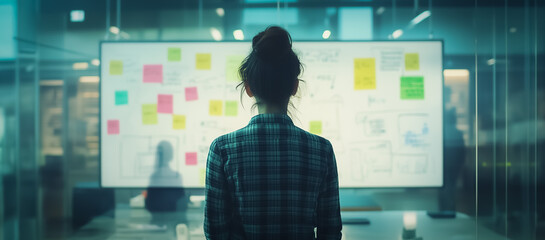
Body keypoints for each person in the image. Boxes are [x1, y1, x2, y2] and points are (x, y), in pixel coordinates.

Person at [204, 26, 342, 240]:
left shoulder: (223, 149)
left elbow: (215, 232)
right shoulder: (322, 150)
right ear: (295, 87)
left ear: (248, 88)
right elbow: (331, 231)